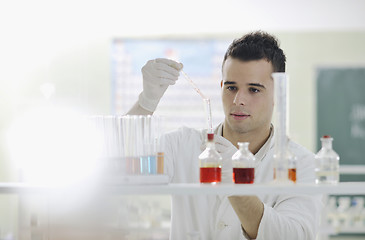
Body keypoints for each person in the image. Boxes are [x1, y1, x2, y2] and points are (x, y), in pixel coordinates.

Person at [127, 31, 322, 240]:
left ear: (277, 94)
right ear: (221, 87)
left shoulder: (302, 164)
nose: (238, 100)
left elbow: (293, 235)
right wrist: (146, 103)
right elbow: (122, 166)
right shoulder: (184, 145)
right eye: (231, 87)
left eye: (254, 90)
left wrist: (237, 187)